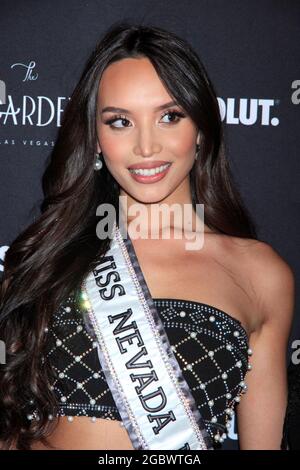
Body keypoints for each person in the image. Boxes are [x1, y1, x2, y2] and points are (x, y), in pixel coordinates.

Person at [0, 22, 295, 451]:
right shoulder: (50, 257)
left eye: (169, 116)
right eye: (120, 121)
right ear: (96, 140)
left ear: (202, 129)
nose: (146, 147)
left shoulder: (261, 274)